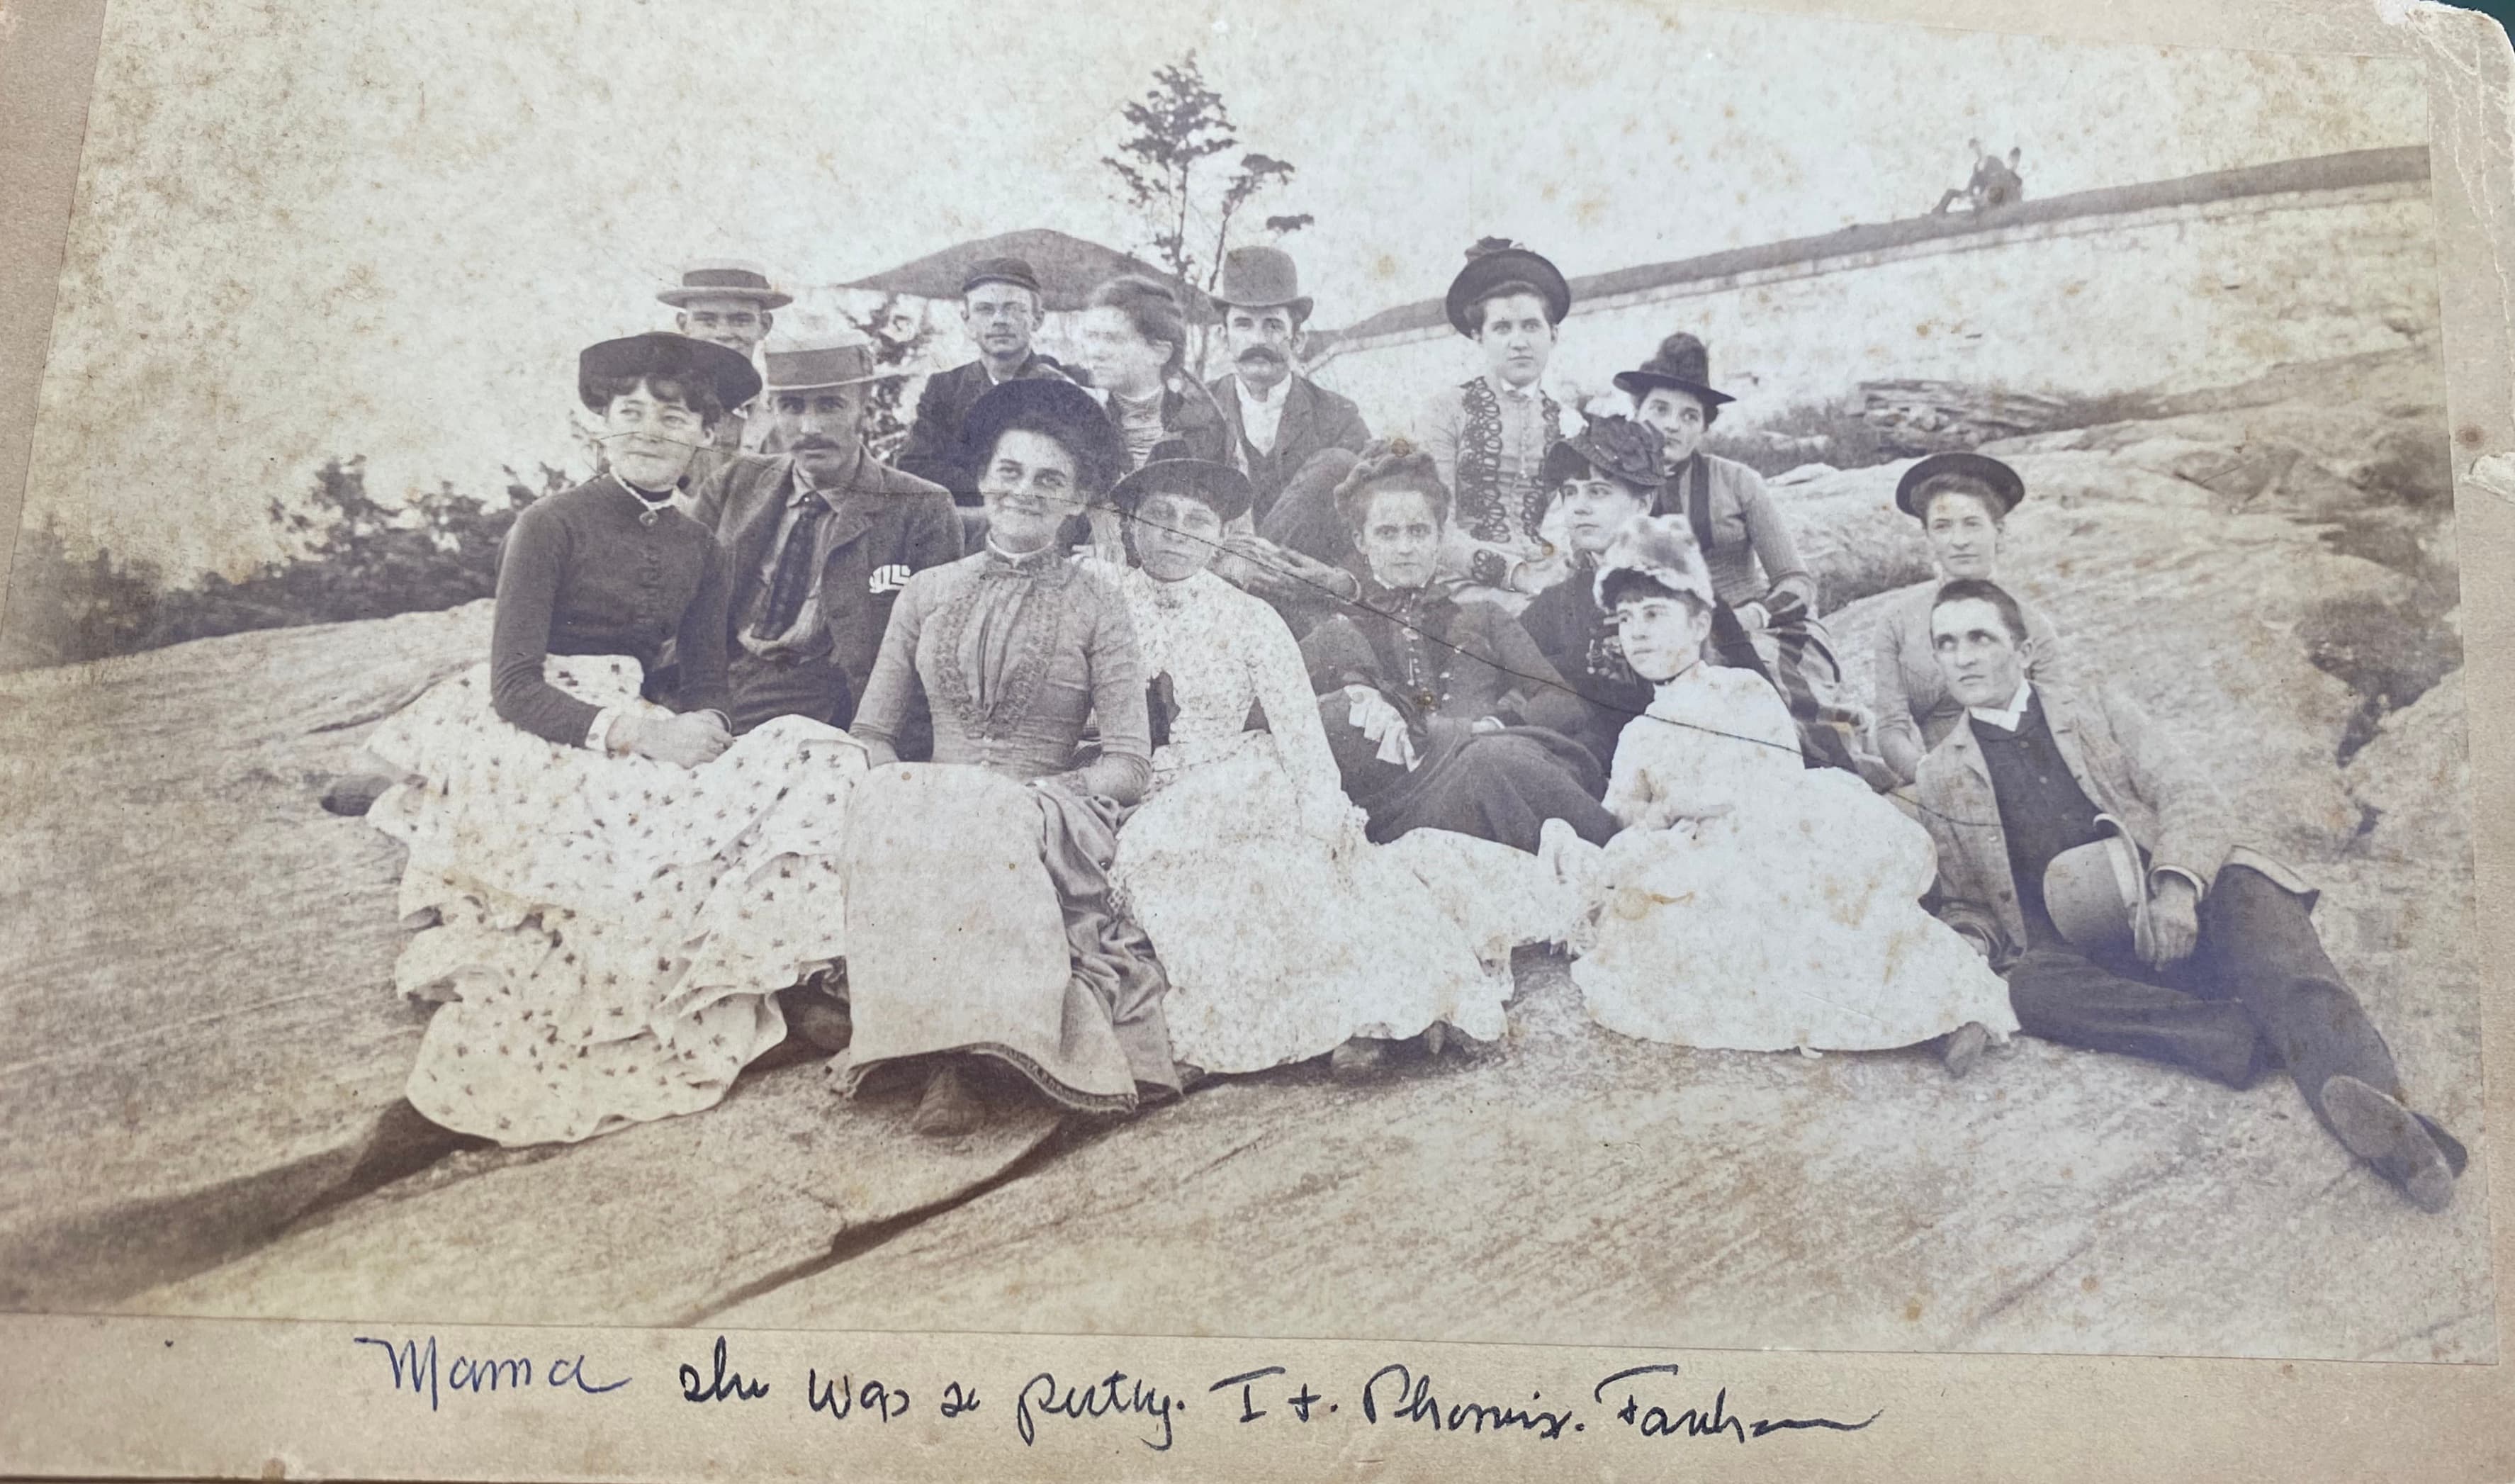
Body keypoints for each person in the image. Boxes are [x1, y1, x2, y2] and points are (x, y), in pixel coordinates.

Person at [361, 332, 867, 1145]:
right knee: (625, 861)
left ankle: (777, 974)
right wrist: (633, 737)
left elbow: (706, 680)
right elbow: (514, 684)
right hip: (539, 726)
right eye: (628, 414)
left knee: (813, 756)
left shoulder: (701, 544)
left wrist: (709, 734)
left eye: (672, 418)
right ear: (599, 425)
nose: (648, 431)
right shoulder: (549, 524)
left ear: (706, 435)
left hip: (642, 717)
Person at [1916, 578, 2467, 1210]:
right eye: (1945, 644)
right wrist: (1964, 942)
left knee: (2256, 899)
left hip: (2184, 909)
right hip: (2085, 954)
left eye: (1979, 638)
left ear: (2021, 649)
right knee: (2033, 989)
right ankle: (2257, 1037)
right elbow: (1968, 904)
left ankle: (2396, 1138)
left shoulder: (2094, 707)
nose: (1961, 658)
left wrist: (2176, 886)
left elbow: (2191, 795)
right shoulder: (1939, 775)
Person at [1096, 456, 1517, 1080]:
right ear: (1130, 527)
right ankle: (1249, 1025)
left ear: (1220, 534)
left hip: (1234, 779)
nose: (1175, 532)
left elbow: (1298, 733)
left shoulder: (1248, 618)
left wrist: (1323, 822)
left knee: (1287, 869)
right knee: (1173, 870)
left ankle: (1368, 1017)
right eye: (1157, 517)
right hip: (1134, 789)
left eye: (1195, 519)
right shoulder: (1100, 605)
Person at [834, 377, 1178, 1137]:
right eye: (1011, 472)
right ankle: (933, 1054)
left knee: (984, 818)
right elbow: (874, 731)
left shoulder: (1099, 605)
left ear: (1077, 499)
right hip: (935, 803)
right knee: (898, 804)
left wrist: (1052, 793)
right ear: (985, 479)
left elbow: (1129, 760)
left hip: (1041, 809)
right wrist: (891, 786)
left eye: (1049, 480)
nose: (1025, 491)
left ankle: (976, 1057)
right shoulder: (925, 592)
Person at [1558, 518, 2014, 1069]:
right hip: (1694, 860)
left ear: (1700, 621)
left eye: (1654, 615)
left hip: (1774, 834)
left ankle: (1954, 1008)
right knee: (1698, 940)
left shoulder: (1742, 690)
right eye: (1626, 620)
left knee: (1832, 915)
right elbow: (1618, 814)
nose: (1637, 633)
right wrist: (1652, 815)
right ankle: (1911, 1020)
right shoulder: (1640, 731)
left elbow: (1777, 777)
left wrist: (1705, 811)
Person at [1300, 440, 1619, 854]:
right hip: (1408, 808)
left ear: (1438, 537)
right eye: (1387, 533)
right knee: (1487, 767)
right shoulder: (1337, 633)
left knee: (1493, 761)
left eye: (1418, 531)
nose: (1404, 547)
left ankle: (1617, 860)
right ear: (1361, 542)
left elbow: (1563, 702)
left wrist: (1492, 725)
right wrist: (1347, 699)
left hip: (1499, 762)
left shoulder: (1484, 615)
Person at [1618, 332, 1874, 778]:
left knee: (1766, 701)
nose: (1672, 425)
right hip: (1659, 639)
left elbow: (1798, 582)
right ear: (1636, 413)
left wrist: (1754, 615)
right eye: (1659, 409)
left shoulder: (1738, 482)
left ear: (1704, 427)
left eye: (1689, 415)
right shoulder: (1615, 492)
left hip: (1760, 633)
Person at [688, 332, 961, 737]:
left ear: (863, 407)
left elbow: (934, 660)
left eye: (830, 405)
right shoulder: (734, 484)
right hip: (709, 688)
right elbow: (681, 604)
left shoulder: (920, 509)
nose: (810, 427)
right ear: (771, 409)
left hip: (823, 709)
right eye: (792, 407)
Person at [1517, 414, 1778, 772]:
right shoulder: (1557, 604)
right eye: (1569, 492)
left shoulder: (1687, 593)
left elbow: (1761, 703)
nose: (1578, 507)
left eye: (1598, 492)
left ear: (1642, 504)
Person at [1871, 451, 2066, 786]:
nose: (1959, 541)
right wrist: (1933, 778)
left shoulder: (2033, 625)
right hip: (1942, 780)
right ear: (1928, 535)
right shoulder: (1896, 622)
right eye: (1943, 526)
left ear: (1998, 529)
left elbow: (2061, 722)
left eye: (1972, 524)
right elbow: (1891, 728)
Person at [1414, 240, 1573, 602]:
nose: (1519, 341)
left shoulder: (1569, 422)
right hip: (1464, 585)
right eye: (1503, 328)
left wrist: (1553, 573)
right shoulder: (1444, 411)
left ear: (1554, 335)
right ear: (1479, 337)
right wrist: (1515, 574)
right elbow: (1434, 526)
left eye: (1531, 326)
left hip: (1549, 582)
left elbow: (1571, 526)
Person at [1200, 246, 1372, 524]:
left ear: (1298, 340)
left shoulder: (1338, 416)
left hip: (1310, 565)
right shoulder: (1197, 409)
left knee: (1337, 463)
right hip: (1217, 563)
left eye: (1273, 326)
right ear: (1224, 337)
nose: (1258, 339)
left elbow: (1370, 512)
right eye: (1244, 325)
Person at [893, 257, 1073, 509]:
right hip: (963, 526)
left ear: (1037, 319)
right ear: (967, 321)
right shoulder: (945, 388)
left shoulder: (1060, 389)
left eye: (1013, 308)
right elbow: (914, 466)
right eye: (985, 309)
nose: (1000, 319)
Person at [658, 259, 791, 463]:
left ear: (764, 326)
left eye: (740, 320)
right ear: (684, 325)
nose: (723, 334)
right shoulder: (655, 406)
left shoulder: (785, 414)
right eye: (707, 320)